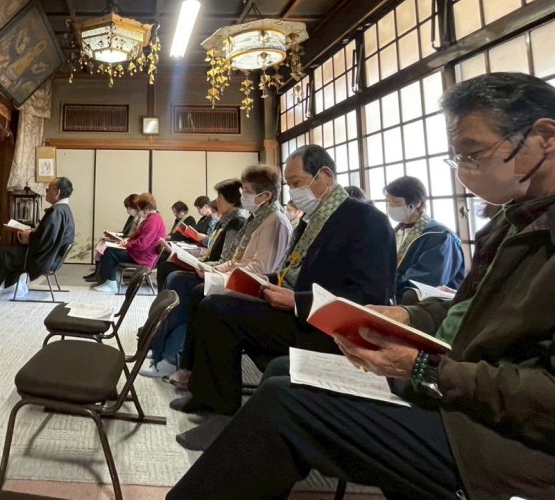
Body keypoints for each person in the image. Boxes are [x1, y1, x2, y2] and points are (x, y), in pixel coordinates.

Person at [113, 73, 555, 500]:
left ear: (544, 137)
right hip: (460, 393)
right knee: (282, 375)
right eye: (457, 160)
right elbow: (466, 315)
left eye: (472, 155)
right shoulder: (520, 217)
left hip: (508, 446)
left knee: (288, 404)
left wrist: (424, 368)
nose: (464, 173)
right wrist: (404, 318)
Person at [169, 146, 395, 451]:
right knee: (212, 303)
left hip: (326, 329)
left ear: (325, 176)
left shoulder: (366, 220)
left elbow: (367, 298)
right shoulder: (314, 219)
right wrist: (265, 283)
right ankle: (207, 395)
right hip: (299, 311)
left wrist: (297, 301)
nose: (293, 192)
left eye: (297, 183)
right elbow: (294, 272)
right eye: (290, 185)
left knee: (218, 311)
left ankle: (223, 414)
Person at [156, 166, 294, 405]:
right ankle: (180, 359)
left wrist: (217, 275)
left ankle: (186, 366)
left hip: (256, 288)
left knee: (201, 295)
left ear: (265, 196)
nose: (243, 196)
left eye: (247, 191)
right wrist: (213, 270)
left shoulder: (275, 222)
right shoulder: (257, 219)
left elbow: (259, 270)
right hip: (239, 277)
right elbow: (237, 259)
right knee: (184, 280)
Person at [143, 179, 250, 378]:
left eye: (219, 197)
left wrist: (205, 266)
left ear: (231, 199)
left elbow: (228, 259)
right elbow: (217, 251)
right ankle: (159, 346)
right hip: (214, 268)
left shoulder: (238, 222)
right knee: (172, 275)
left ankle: (169, 357)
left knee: (178, 282)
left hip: (221, 276)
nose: (216, 201)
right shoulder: (228, 220)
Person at [0, 177, 74, 298]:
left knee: (3, 252)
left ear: (57, 192)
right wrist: (34, 232)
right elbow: (48, 236)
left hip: (43, 259)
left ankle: (3, 288)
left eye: (48, 189)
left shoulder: (55, 212)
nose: (46, 191)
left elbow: (44, 241)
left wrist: (27, 235)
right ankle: (10, 286)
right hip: (53, 258)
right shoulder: (64, 210)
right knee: (10, 251)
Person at [385, 175, 466, 302]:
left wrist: (385, 284)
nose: (390, 206)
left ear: (417, 203)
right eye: (388, 201)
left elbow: (426, 280)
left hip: (428, 307)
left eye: (396, 202)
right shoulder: (396, 232)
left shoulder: (440, 236)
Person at [92, 193, 165, 293]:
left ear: (147, 209)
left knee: (109, 252)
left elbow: (142, 244)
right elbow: (139, 237)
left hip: (142, 257)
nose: (139, 212)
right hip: (142, 254)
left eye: (139, 209)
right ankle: (109, 281)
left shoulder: (153, 221)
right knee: (110, 250)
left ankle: (111, 284)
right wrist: (128, 241)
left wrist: (126, 244)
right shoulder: (153, 218)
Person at [84, 194, 139, 281]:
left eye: (129, 208)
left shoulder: (139, 219)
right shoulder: (131, 218)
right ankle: (97, 271)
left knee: (105, 246)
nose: (128, 211)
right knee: (102, 242)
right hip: (124, 239)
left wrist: (119, 237)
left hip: (127, 242)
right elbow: (125, 232)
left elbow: (132, 235)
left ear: (136, 208)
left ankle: (100, 274)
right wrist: (114, 235)